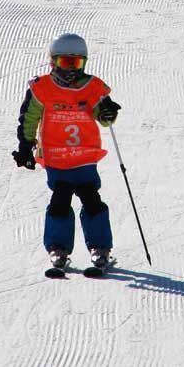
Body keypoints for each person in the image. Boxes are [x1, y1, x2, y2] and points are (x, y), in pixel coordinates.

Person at [12, 33, 121, 272]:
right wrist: (25, 145)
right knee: (60, 200)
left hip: (84, 156)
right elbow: (29, 118)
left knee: (91, 198)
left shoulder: (93, 87)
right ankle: (58, 249)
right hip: (56, 157)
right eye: (65, 63)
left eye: (76, 63)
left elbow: (102, 116)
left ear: (84, 62)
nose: (71, 70)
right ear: (53, 62)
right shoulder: (42, 89)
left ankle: (100, 249)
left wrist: (108, 113)